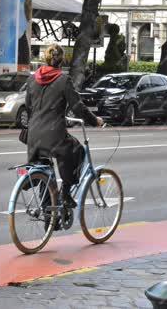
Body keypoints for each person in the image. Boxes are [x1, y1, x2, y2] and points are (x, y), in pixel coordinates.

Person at [25, 43, 104, 209]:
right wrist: (94, 120)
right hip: (54, 135)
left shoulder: (32, 79)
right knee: (78, 151)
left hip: (33, 135)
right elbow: (78, 107)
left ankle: (48, 213)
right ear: (62, 60)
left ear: (45, 58)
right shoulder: (63, 79)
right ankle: (66, 194)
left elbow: (28, 107)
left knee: (44, 168)